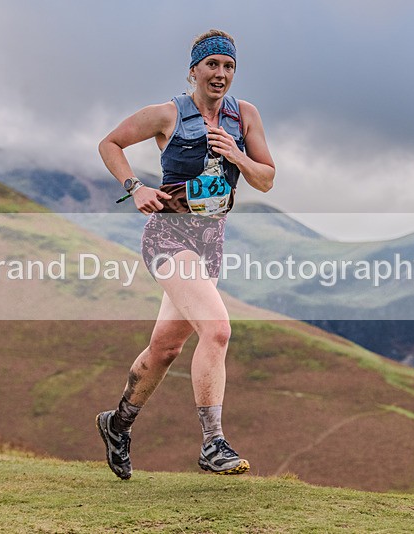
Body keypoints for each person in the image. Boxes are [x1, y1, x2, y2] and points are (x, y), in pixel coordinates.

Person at [96, 29, 275, 480]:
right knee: (216, 330)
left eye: (229, 66)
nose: (221, 74)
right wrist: (135, 188)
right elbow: (109, 144)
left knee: (166, 348)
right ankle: (213, 442)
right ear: (193, 70)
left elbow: (267, 178)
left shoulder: (245, 117)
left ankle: (117, 424)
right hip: (168, 237)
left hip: (210, 243)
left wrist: (238, 154)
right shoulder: (167, 115)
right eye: (212, 65)